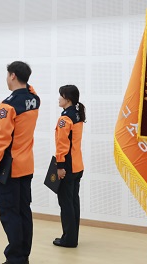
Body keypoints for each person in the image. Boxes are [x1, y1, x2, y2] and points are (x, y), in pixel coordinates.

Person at [0, 61, 40, 264]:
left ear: (12, 76)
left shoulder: (7, 106)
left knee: (10, 214)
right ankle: (23, 255)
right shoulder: (34, 100)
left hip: (9, 168)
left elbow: (2, 140)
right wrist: (26, 83)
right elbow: (31, 90)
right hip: (27, 166)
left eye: (8, 75)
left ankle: (16, 258)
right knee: (24, 211)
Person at [52, 85, 85, 248]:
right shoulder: (77, 114)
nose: (59, 98)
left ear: (68, 99)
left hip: (67, 167)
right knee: (73, 203)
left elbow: (62, 145)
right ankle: (72, 237)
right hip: (78, 165)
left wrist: (60, 166)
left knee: (66, 204)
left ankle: (68, 240)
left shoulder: (65, 119)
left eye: (61, 96)